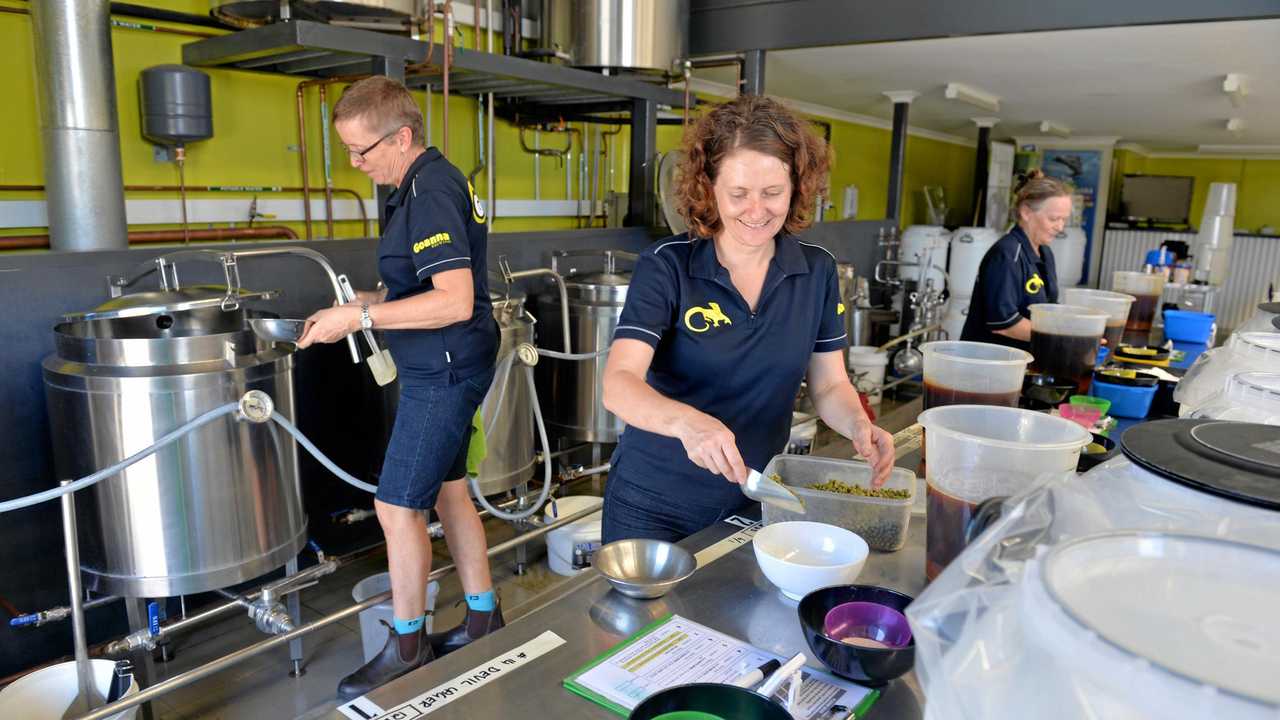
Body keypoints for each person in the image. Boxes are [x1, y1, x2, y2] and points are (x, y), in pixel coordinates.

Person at [600, 95, 896, 544]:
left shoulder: (816, 271)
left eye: (772, 193)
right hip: (652, 502)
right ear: (708, 189)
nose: (756, 212)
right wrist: (687, 423)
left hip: (753, 499)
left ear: (798, 187)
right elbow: (619, 383)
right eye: (738, 194)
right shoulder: (667, 266)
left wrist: (858, 424)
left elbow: (830, 385)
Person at [297, 77, 502, 700]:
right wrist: (374, 299)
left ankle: (408, 646)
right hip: (439, 361)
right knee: (449, 493)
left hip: (444, 369)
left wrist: (355, 319)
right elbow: (422, 286)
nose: (356, 165)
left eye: (363, 151)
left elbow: (454, 300)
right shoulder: (410, 185)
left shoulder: (432, 190)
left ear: (402, 136)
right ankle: (484, 617)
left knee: (394, 506)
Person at [960, 170, 1071, 350]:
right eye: (1054, 219)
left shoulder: (1045, 253)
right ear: (1026, 212)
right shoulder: (1006, 255)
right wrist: (1065, 338)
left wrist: (1079, 330)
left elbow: (1048, 309)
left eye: (1064, 219)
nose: (1060, 227)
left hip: (1023, 361)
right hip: (988, 365)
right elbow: (1004, 324)